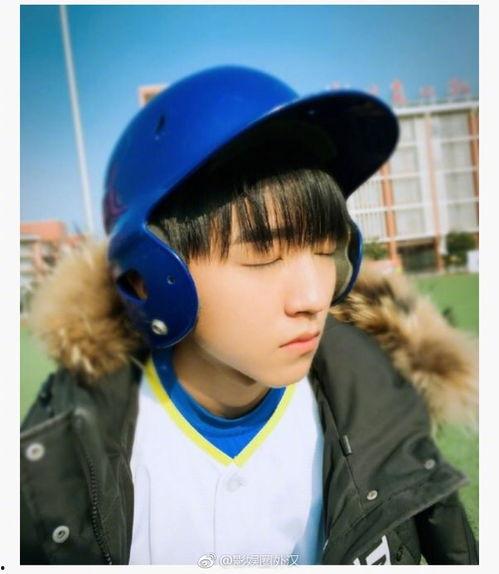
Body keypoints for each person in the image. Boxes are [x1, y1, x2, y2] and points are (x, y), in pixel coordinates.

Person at [20, 65, 478, 565]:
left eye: (326, 249)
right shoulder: (66, 452)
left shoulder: (381, 412)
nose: (313, 297)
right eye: (263, 255)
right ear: (145, 276)